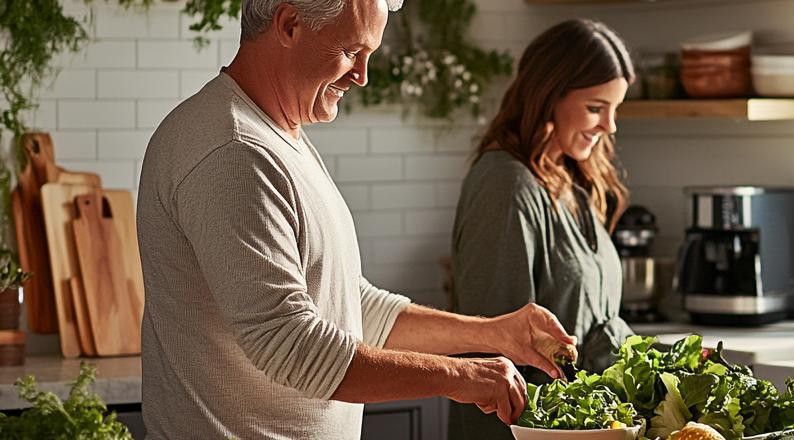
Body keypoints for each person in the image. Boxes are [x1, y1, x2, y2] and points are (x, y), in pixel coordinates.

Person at [136, 1, 576, 438]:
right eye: (351, 51)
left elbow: (345, 304)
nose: (362, 75)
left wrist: (496, 333)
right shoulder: (233, 153)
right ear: (289, 24)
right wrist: (461, 377)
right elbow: (290, 343)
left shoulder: (277, 135)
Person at [448, 18, 637, 439]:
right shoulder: (506, 186)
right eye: (595, 107)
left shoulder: (571, 178)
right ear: (548, 95)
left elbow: (595, 328)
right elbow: (495, 351)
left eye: (615, 108)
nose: (610, 126)